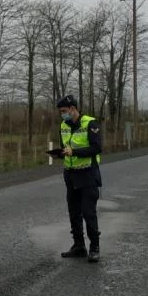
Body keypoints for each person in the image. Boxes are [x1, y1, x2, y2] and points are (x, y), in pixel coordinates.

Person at [50, 94, 102, 262]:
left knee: (88, 212)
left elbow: (96, 148)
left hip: (87, 174)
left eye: (64, 111)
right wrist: (60, 154)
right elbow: (67, 147)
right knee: (74, 212)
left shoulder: (90, 123)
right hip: (70, 174)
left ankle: (94, 247)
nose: (62, 114)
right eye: (61, 112)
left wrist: (75, 152)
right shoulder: (64, 125)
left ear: (73, 109)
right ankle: (79, 245)